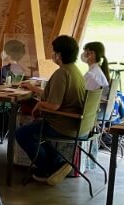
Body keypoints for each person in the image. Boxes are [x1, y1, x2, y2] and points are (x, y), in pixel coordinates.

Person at [15, 35, 85, 185]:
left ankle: (48, 167)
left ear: (59, 54)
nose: (52, 55)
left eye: (54, 52)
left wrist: (39, 105)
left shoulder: (61, 73)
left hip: (61, 125)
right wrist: (34, 89)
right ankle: (57, 162)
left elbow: (54, 105)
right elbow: (55, 97)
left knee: (22, 133)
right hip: (76, 123)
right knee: (35, 133)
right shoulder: (75, 71)